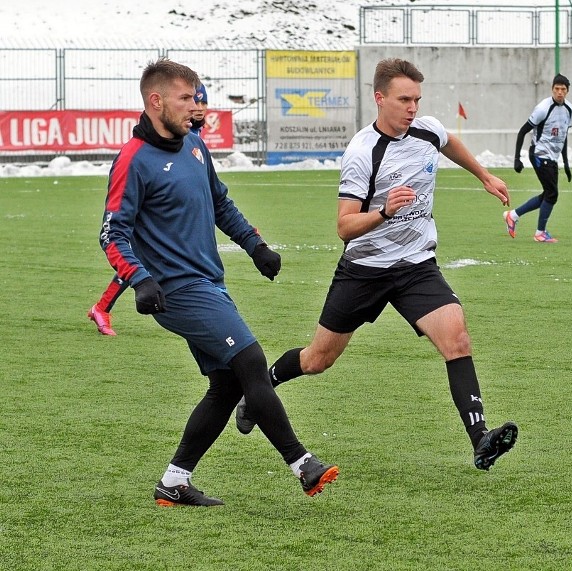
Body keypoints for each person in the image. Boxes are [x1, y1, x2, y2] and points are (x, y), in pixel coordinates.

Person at [235, 58, 519, 472]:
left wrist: (485, 176)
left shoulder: (427, 129)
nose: (412, 108)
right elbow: (344, 226)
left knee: (456, 338)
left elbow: (449, 142)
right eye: (404, 99)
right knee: (318, 359)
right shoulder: (362, 153)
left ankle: (481, 439)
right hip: (364, 270)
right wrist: (384, 211)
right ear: (379, 98)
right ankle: (261, 389)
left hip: (416, 264)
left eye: (417, 99)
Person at [99, 59, 337, 506]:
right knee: (250, 360)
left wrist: (255, 245)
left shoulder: (193, 146)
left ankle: (174, 481)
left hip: (209, 283)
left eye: (195, 97)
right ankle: (302, 464)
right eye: (185, 98)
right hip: (176, 292)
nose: (195, 106)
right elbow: (112, 233)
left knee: (227, 385)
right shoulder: (133, 160)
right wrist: (140, 280)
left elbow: (220, 202)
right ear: (156, 101)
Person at [88, 83, 210, 335]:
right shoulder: (161, 139)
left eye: (201, 102)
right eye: (190, 100)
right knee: (142, 261)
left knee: (146, 262)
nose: (197, 107)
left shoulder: (193, 134)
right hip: (154, 212)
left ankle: (101, 308)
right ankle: (101, 308)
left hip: (177, 218)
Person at [505, 74, 572, 243]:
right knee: (552, 194)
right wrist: (517, 158)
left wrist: (565, 163)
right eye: (556, 89)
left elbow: (564, 136)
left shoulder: (570, 110)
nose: (559, 92)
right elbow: (523, 131)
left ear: (567, 91)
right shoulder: (543, 108)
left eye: (563, 89)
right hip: (539, 154)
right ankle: (540, 233)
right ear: (552, 89)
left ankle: (512, 215)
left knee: (548, 194)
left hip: (552, 157)